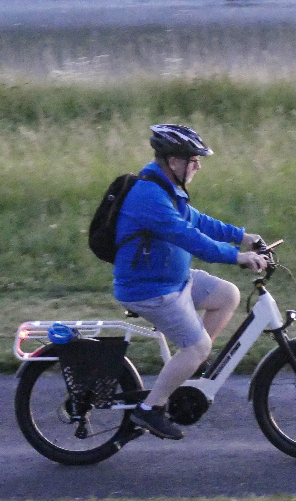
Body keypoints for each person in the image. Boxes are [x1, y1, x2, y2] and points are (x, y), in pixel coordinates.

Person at [114, 124, 268, 440]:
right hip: (150, 290)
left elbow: (199, 222)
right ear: (174, 161)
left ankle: (190, 366)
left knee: (227, 295)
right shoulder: (149, 196)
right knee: (198, 345)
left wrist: (243, 237)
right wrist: (237, 257)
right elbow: (191, 239)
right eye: (193, 160)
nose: (198, 166)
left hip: (172, 280)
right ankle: (149, 409)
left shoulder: (167, 189)